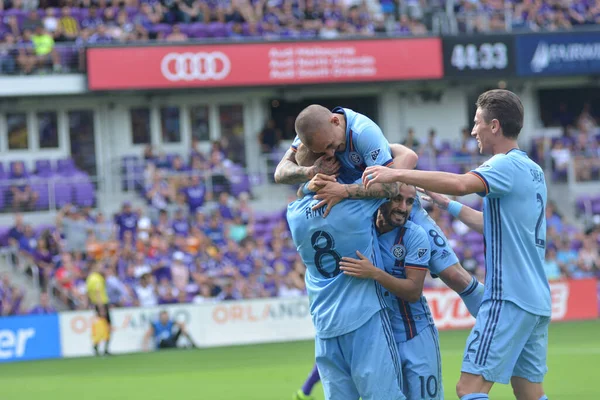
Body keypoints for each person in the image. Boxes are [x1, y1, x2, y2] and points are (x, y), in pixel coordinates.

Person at [362, 89, 551, 400]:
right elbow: (493, 226)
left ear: (494, 126)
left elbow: (464, 183)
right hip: (537, 299)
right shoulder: (533, 170)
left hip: (509, 298)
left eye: (477, 122)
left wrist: (396, 172)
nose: (472, 130)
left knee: (469, 389)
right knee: (529, 392)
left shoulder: (504, 165)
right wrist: (446, 204)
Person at [287, 145, 404, 400]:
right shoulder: (354, 209)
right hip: (364, 317)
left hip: (325, 324)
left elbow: (301, 193)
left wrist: (309, 185)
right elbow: (398, 177)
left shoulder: (293, 215)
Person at [86, 261, 112, 356]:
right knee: (107, 326)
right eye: (100, 266)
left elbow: (88, 292)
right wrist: (101, 308)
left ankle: (96, 346)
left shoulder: (89, 278)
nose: (102, 268)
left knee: (99, 327)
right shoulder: (97, 279)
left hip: (96, 304)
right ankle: (105, 348)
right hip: (102, 304)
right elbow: (98, 293)